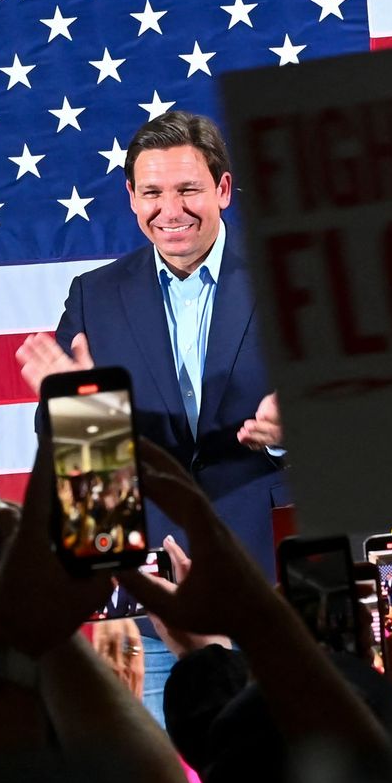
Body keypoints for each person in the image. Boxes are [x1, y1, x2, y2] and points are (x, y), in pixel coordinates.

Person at [15, 110, 287, 567]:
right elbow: (60, 447)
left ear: (222, 190)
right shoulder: (94, 296)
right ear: (132, 197)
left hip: (277, 569)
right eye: (153, 193)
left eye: (188, 190)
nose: (170, 211)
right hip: (151, 576)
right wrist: (79, 406)